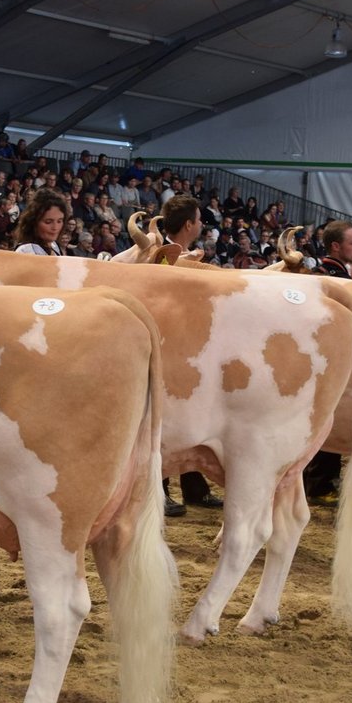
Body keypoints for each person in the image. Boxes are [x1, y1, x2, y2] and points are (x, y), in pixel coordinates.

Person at [155, 195, 223, 518]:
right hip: (167, 345)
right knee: (165, 421)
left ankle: (195, 488)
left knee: (192, 421)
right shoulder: (159, 254)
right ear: (188, 225)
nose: (201, 225)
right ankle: (159, 491)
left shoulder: (187, 256)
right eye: (198, 220)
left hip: (191, 347)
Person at [13, 190, 67, 255]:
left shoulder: (54, 246)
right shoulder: (25, 251)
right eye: (48, 222)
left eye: (59, 221)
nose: (55, 227)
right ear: (34, 222)